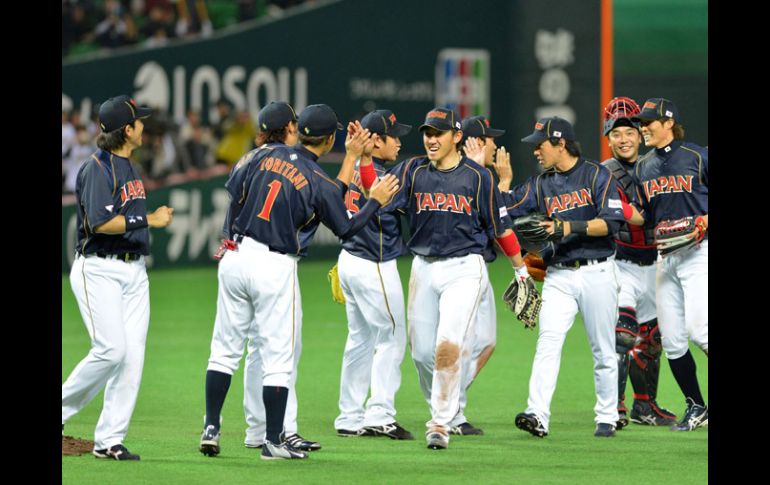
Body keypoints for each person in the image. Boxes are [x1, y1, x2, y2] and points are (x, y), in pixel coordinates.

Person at [199, 102, 400, 460]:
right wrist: (374, 201)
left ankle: (212, 427)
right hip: (274, 265)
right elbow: (346, 226)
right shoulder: (316, 179)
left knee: (226, 350)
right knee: (280, 355)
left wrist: (351, 158)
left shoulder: (254, 157)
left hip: (234, 255)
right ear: (327, 138)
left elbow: (239, 198)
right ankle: (274, 440)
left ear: (298, 131)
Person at [384, 107, 533, 450]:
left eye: (438, 133)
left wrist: (520, 269)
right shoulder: (412, 170)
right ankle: (442, 407)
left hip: (465, 268)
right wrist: (360, 160)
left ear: (456, 137)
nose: (431, 139)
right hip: (423, 266)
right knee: (421, 353)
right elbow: (378, 193)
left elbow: (501, 227)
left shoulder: (478, 178)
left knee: (447, 345)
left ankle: (440, 422)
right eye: (427, 133)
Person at [62, 95, 175, 461]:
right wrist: (150, 219)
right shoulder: (98, 167)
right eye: (138, 121)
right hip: (99, 269)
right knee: (111, 349)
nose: (143, 125)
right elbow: (99, 222)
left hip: (134, 271)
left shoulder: (128, 165)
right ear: (127, 130)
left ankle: (109, 439)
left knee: (131, 358)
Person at [505, 116, 625, 438]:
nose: (535, 151)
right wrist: (501, 182)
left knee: (602, 348)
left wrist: (566, 227)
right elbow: (505, 208)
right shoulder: (541, 184)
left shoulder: (597, 175)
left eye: (539, 144)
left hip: (598, 271)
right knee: (548, 342)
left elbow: (611, 223)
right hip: (559, 275)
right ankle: (537, 414)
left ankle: (607, 416)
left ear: (560, 143)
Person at [229, 102, 320, 452]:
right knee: (283, 347)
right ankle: (281, 431)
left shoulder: (251, 158)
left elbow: (232, 202)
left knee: (255, 348)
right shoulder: (285, 161)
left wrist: (229, 240)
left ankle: (257, 430)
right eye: (294, 124)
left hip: (242, 255)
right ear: (288, 128)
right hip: (273, 261)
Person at [333, 109, 414, 440]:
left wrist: (361, 154)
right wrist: (366, 158)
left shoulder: (350, 166)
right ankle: (379, 413)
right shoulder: (379, 174)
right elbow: (376, 192)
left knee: (360, 339)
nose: (398, 142)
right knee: (392, 336)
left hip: (350, 259)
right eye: (394, 136)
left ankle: (349, 416)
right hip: (374, 263)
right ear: (376, 141)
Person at [631, 98, 708, 432]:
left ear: (668, 123)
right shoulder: (642, 167)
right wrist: (614, 209)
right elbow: (645, 217)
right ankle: (697, 406)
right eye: (642, 122)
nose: (643, 127)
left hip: (699, 252)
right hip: (666, 256)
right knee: (674, 340)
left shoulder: (697, 156)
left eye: (649, 121)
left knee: (701, 330)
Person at [601, 96, 677, 428]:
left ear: (640, 132)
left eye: (630, 131)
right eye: (616, 134)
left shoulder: (658, 166)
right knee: (623, 334)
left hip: (657, 263)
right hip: (620, 263)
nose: (624, 139)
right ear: (608, 138)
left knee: (655, 337)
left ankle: (644, 406)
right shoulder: (602, 175)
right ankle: (613, 407)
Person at [443, 115, 510, 436]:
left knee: (486, 342)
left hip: (479, 268)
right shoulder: (467, 176)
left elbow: (499, 217)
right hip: (459, 268)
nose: (496, 144)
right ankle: (451, 411)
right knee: (465, 344)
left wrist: (502, 182)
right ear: (478, 143)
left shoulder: (482, 176)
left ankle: (447, 396)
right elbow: (487, 221)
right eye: (491, 139)